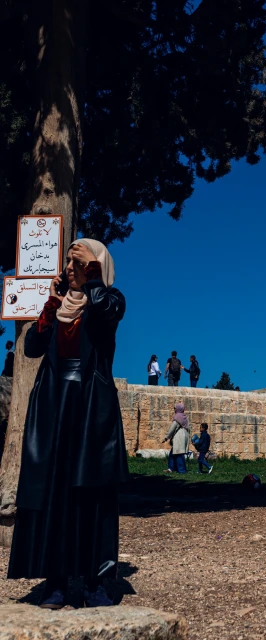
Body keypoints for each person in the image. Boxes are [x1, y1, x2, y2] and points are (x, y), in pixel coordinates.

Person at [7, 239, 128, 609]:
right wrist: (52, 300)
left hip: (92, 405)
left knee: (92, 490)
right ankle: (55, 580)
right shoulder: (59, 306)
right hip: (53, 405)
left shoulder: (110, 300)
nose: (71, 268)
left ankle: (95, 581)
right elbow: (32, 348)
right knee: (53, 487)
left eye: (80, 263)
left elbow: (106, 310)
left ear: (96, 266)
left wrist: (92, 270)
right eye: (70, 263)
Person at [162, 403, 190, 473]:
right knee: (172, 453)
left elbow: (172, 428)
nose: (174, 409)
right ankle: (171, 468)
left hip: (179, 437)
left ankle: (182, 470)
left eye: (175, 408)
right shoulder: (184, 417)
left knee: (179, 454)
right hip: (184, 436)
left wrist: (166, 437)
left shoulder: (177, 417)